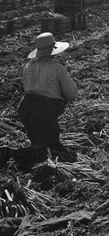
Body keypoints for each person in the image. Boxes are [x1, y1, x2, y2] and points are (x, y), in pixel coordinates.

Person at [1, 33, 78, 170]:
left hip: (25, 107)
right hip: (45, 111)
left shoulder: (29, 66)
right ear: (52, 50)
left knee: (37, 140)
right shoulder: (57, 68)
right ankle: (13, 153)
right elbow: (72, 94)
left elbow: (28, 87)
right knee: (50, 146)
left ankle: (22, 154)